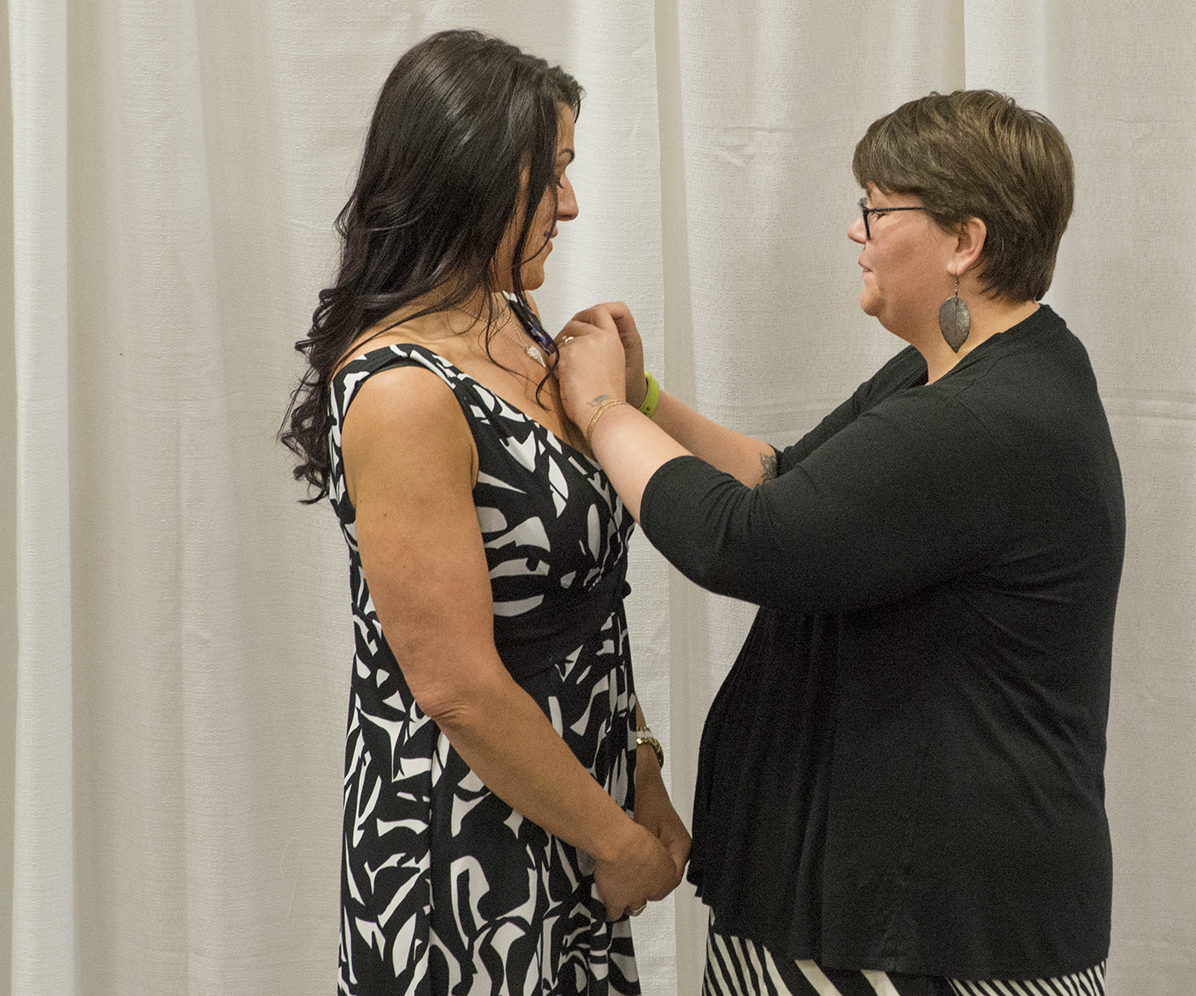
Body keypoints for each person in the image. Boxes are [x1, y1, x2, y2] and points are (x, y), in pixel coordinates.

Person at [554, 91, 1124, 995]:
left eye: (877, 208)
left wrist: (598, 410)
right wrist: (647, 399)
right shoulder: (960, 371)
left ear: (963, 242)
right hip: (870, 905)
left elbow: (741, 542)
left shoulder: (984, 421)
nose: (857, 232)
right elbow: (778, 479)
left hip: (929, 932)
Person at [280, 30, 689, 996]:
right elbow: (456, 686)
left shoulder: (513, 322)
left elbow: (578, 608)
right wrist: (616, 841)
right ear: (472, 177)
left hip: (568, 809)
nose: (573, 204)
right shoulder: (401, 391)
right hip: (461, 848)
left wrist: (638, 764)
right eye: (551, 178)